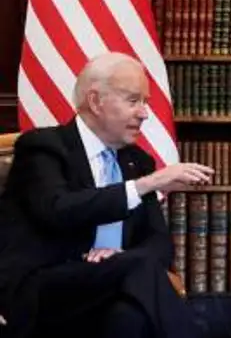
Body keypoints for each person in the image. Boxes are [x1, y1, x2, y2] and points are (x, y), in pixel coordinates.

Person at [0, 52, 215, 338]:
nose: (144, 113)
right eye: (133, 101)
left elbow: (159, 244)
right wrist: (143, 185)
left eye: (145, 102)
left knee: (129, 317)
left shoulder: (137, 161)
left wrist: (120, 259)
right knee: (138, 271)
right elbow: (59, 210)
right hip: (46, 288)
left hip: (112, 286)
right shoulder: (43, 147)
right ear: (95, 101)